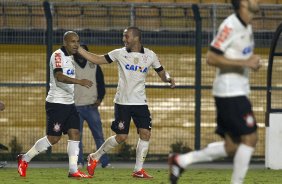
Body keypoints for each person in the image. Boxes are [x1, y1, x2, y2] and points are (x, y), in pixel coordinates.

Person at [168, 0, 262, 184]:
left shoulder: (247, 26)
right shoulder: (230, 25)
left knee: (232, 146)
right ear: (243, 3)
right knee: (250, 138)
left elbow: (236, 55)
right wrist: (245, 63)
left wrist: (249, 60)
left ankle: (181, 160)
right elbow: (211, 57)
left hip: (237, 91)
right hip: (230, 92)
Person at [77, 26, 175, 178]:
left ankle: (138, 170)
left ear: (136, 37)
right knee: (121, 137)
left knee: (145, 133)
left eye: (126, 36)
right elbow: (97, 59)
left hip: (140, 102)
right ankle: (94, 157)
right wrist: (79, 49)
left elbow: (161, 72)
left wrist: (168, 78)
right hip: (122, 102)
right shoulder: (119, 53)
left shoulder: (150, 55)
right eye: (123, 37)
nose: (124, 39)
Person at [17, 31, 93, 178]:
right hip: (56, 103)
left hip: (69, 103)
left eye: (77, 41)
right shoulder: (58, 55)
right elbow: (59, 77)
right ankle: (24, 158)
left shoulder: (71, 56)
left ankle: (73, 170)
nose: (76, 44)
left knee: (75, 133)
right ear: (65, 42)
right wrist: (79, 81)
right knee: (53, 138)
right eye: (72, 41)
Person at [73, 44, 111, 169]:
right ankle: (79, 162)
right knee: (76, 138)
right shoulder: (69, 64)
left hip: (91, 106)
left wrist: (100, 99)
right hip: (75, 107)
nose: (80, 53)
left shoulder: (94, 65)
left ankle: (104, 162)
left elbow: (101, 83)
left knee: (99, 136)